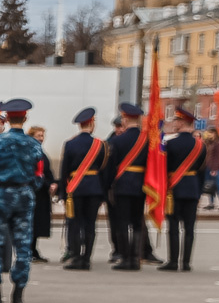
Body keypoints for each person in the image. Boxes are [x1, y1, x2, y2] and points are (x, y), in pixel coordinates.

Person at [0, 98, 41, 303]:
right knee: (23, 245)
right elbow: (38, 172)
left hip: (0, 193)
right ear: (24, 118)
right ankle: (18, 296)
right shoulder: (34, 144)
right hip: (24, 193)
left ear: (7, 118)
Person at [57, 107, 106, 270]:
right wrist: (103, 194)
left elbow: (64, 171)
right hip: (94, 188)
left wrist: (63, 193)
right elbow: (104, 171)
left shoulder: (70, 144)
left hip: (75, 188)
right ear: (92, 123)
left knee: (75, 223)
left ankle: (76, 257)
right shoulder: (101, 145)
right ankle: (87, 258)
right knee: (90, 224)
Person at [160, 106, 205, 272]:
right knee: (189, 228)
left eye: (176, 120)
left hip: (174, 190)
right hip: (192, 189)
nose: (174, 123)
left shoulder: (170, 144)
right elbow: (202, 173)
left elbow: (164, 169)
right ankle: (186, 263)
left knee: (173, 227)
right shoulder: (201, 146)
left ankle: (173, 261)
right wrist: (199, 192)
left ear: (181, 122)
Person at [105, 102, 150, 270]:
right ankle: (135, 258)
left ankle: (125, 258)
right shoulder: (147, 140)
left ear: (125, 119)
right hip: (141, 184)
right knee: (137, 222)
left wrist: (108, 186)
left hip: (122, 185)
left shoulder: (118, 140)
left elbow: (111, 167)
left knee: (122, 223)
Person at [28, 124, 55, 263]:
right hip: (35, 191)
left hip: (42, 192)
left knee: (38, 223)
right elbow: (36, 172)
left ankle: (34, 250)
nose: (41, 138)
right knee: (33, 222)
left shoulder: (40, 151)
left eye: (42, 135)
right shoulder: (32, 151)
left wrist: (53, 183)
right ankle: (30, 250)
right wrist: (47, 183)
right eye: (38, 135)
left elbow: (46, 171)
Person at [201, 128, 219, 209]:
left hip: (214, 167)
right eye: (208, 133)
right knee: (209, 185)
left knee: (217, 185)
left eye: (211, 133)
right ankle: (211, 203)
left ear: (215, 133)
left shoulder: (218, 144)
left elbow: (218, 157)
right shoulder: (208, 143)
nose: (209, 134)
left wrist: (215, 169)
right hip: (207, 166)